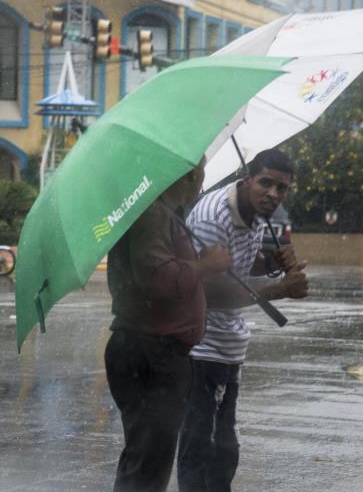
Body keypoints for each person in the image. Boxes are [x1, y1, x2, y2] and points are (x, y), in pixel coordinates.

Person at [177, 149, 308, 492]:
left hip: (229, 349)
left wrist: (270, 263)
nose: (273, 194)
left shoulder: (254, 215)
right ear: (247, 178)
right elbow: (209, 291)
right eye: (265, 183)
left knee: (224, 452)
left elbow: (234, 270)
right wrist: (280, 288)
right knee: (200, 450)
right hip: (201, 350)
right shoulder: (213, 216)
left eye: (282, 188)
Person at [105, 157, 231, 492]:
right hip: (152, 352)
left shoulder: (166, 215)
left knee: (145, 456)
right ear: (192, 174)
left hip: (156, 351)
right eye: (202, 167)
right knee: (149, 461)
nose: (204, 175)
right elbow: (158, 280)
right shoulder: (152, 214)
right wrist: (205, 265)